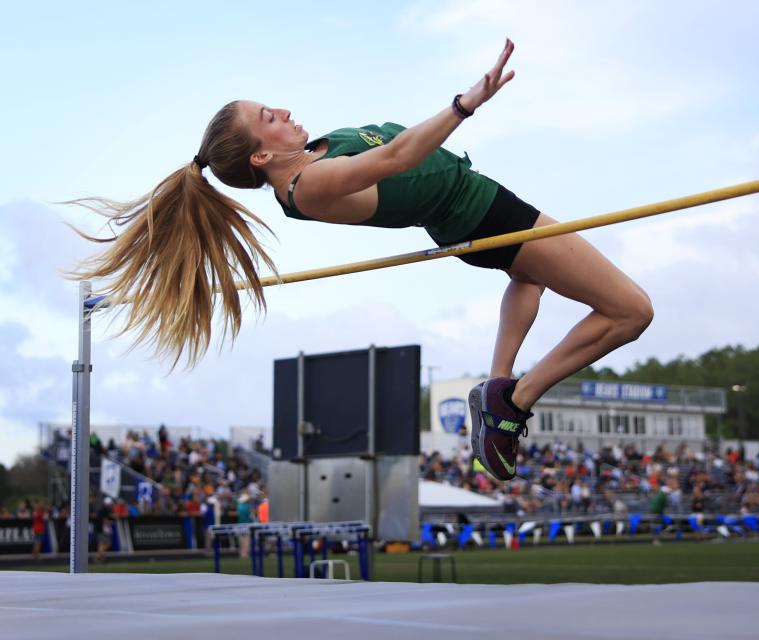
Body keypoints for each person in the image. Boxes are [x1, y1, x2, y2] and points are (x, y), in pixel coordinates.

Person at [68, 39, 653, 482]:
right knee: (630, 311)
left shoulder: (313, 152)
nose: (285, 110)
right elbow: (396, 157)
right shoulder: (307, 186)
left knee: (530, 280)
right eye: (270, 116)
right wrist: (464, 104)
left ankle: (496, 388)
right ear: (263, 153)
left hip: (478, 208)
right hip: (481, 214)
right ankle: (513, 400)